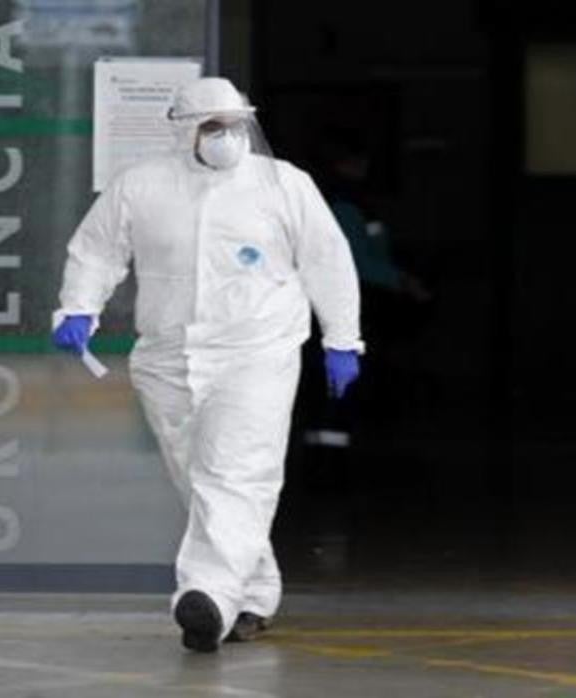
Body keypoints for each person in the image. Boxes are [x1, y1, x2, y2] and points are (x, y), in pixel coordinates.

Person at [50, 77, 364, 652]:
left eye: (235, 124)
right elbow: (95, 249)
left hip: (257, 352)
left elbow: (328, 260)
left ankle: (207, 599)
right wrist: (78, 307)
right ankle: (253, 594)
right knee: (202, 478)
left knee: (238, 472)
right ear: (183, 130)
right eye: (212, 126)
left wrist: (343, 338)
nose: (226, 137)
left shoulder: (283, 184)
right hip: (166, 357)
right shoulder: (141, 187)